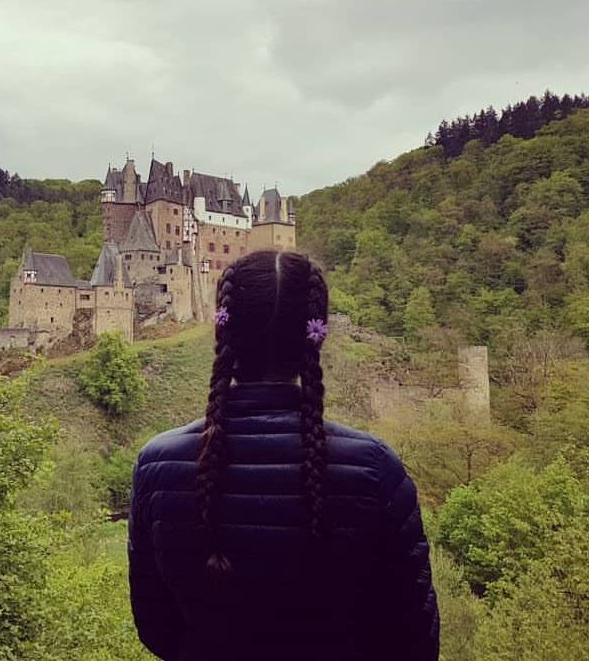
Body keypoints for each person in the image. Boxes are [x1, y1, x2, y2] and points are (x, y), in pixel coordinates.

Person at [128, 250, 439, 661]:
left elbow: (155, 624)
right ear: (317, 334)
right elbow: (414, 635)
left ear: (224, 332)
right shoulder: (375, 469)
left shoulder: (157, 465)